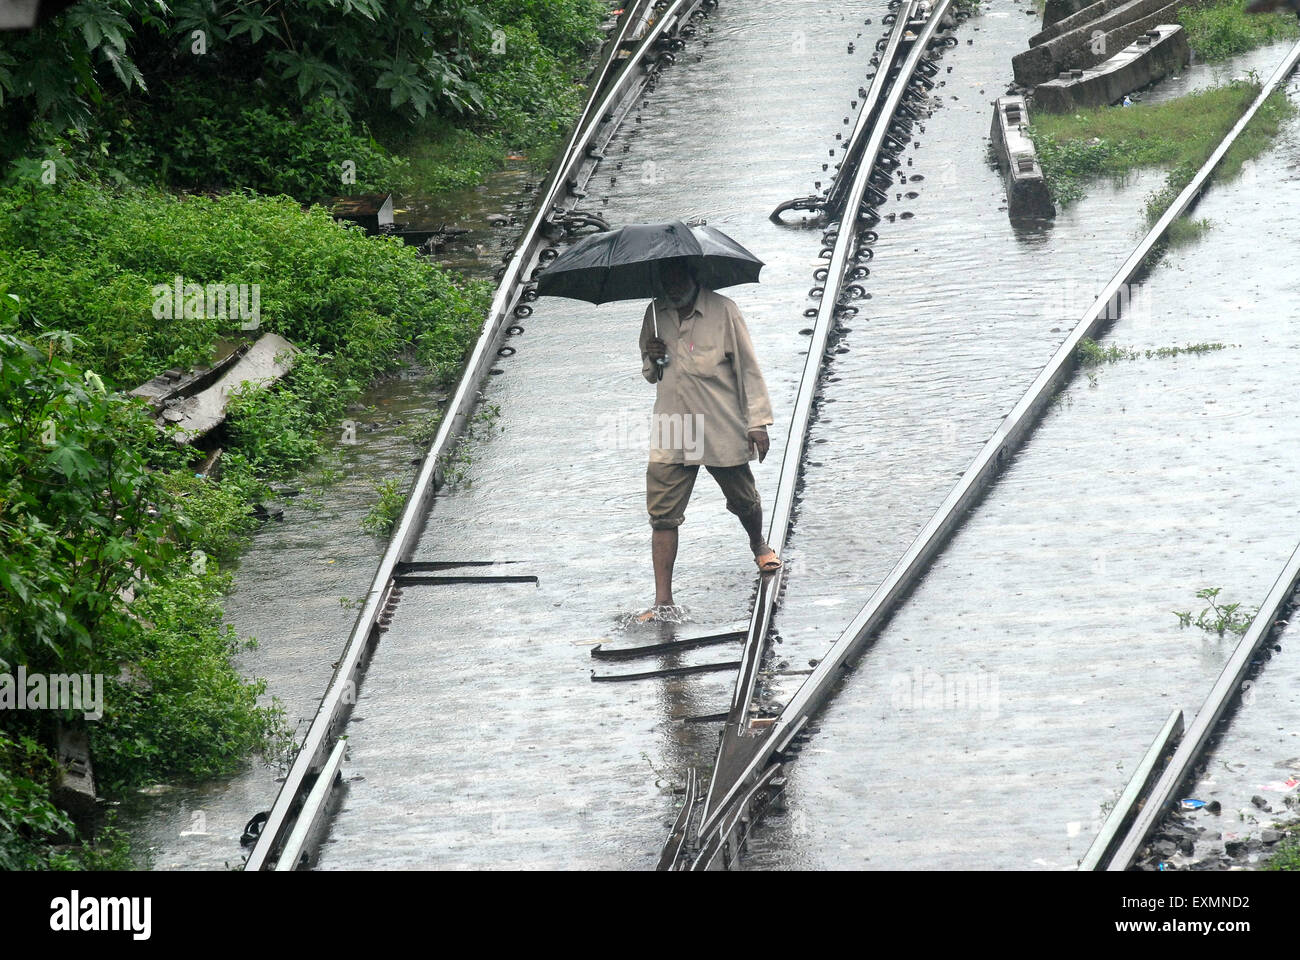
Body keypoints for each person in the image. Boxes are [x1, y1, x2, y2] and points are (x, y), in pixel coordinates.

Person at [636, 257, 779, 622]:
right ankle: (663, 599)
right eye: (665, 279)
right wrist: (653, 357)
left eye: (678, 277)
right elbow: (651, 373)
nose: (672, 285)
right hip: (673, 424)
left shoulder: (724, 310)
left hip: (719, 420)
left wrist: (757, 422)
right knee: (662, 515)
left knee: (744, 499)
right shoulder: (655, 315)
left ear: (693, 276)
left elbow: (748, 367)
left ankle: (758, 543)